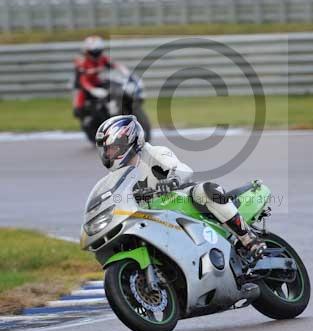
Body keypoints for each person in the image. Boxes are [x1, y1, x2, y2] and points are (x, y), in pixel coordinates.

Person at [95, 114, 267, 259]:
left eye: (112, 148)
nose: (108, 154)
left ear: (128, 141)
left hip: (177, 200)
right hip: (151, 217)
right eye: (106, 150)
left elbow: (183, 169)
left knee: (206, 191)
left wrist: (171, 180)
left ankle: (248, 238)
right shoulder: (117, 176)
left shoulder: (153, 153)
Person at [73, 36, 129, 119]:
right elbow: (83, 79)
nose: (96, 55)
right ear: (87, 51)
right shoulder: (81, 61)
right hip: (83, 87)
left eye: (98, 52)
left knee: (116, 89)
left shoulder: (102, 58)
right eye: (93, 52)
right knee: (78, 110)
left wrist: (124, 71)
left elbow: (114, 64)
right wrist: (92, 90)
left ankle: (119, 110)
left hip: (97, 82)